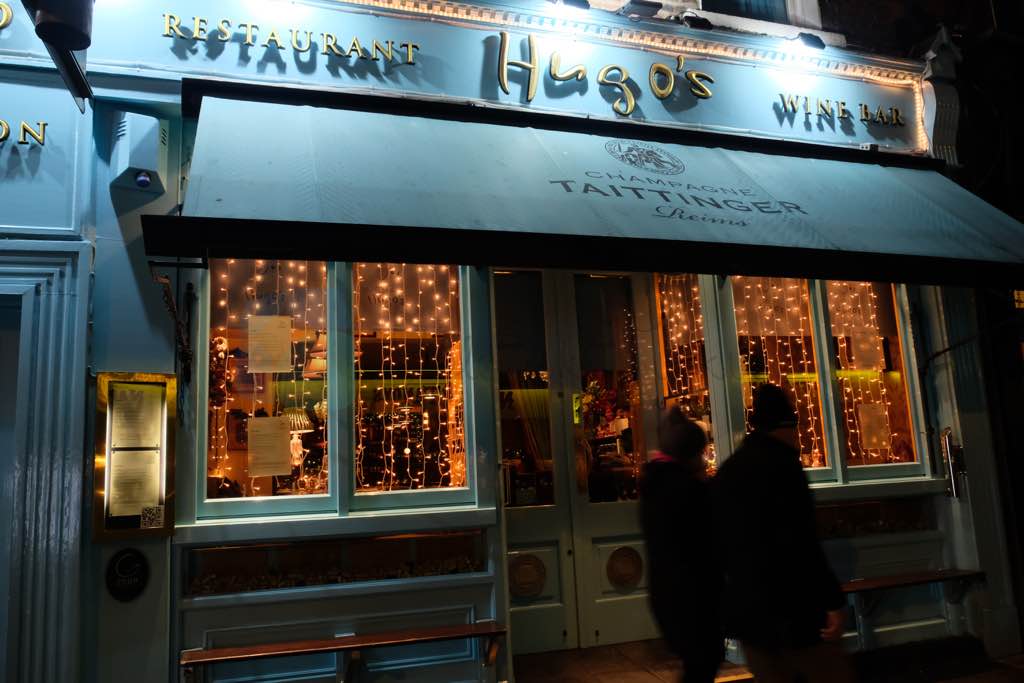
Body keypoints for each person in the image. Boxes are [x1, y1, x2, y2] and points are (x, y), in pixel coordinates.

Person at [714, 383, 854, 683]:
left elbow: (718, 543)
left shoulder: (730, 470)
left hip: (750, 612)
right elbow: (803, 543)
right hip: (793, 608)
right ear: (787, 424)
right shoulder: (784, 468)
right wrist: (832, 601)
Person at [640, 406, 723, 683]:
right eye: (700, 453)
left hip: (670, 594)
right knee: (703, 662)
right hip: (692, 597)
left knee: (699, 664)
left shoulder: (657, 482)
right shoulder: (688, 491)